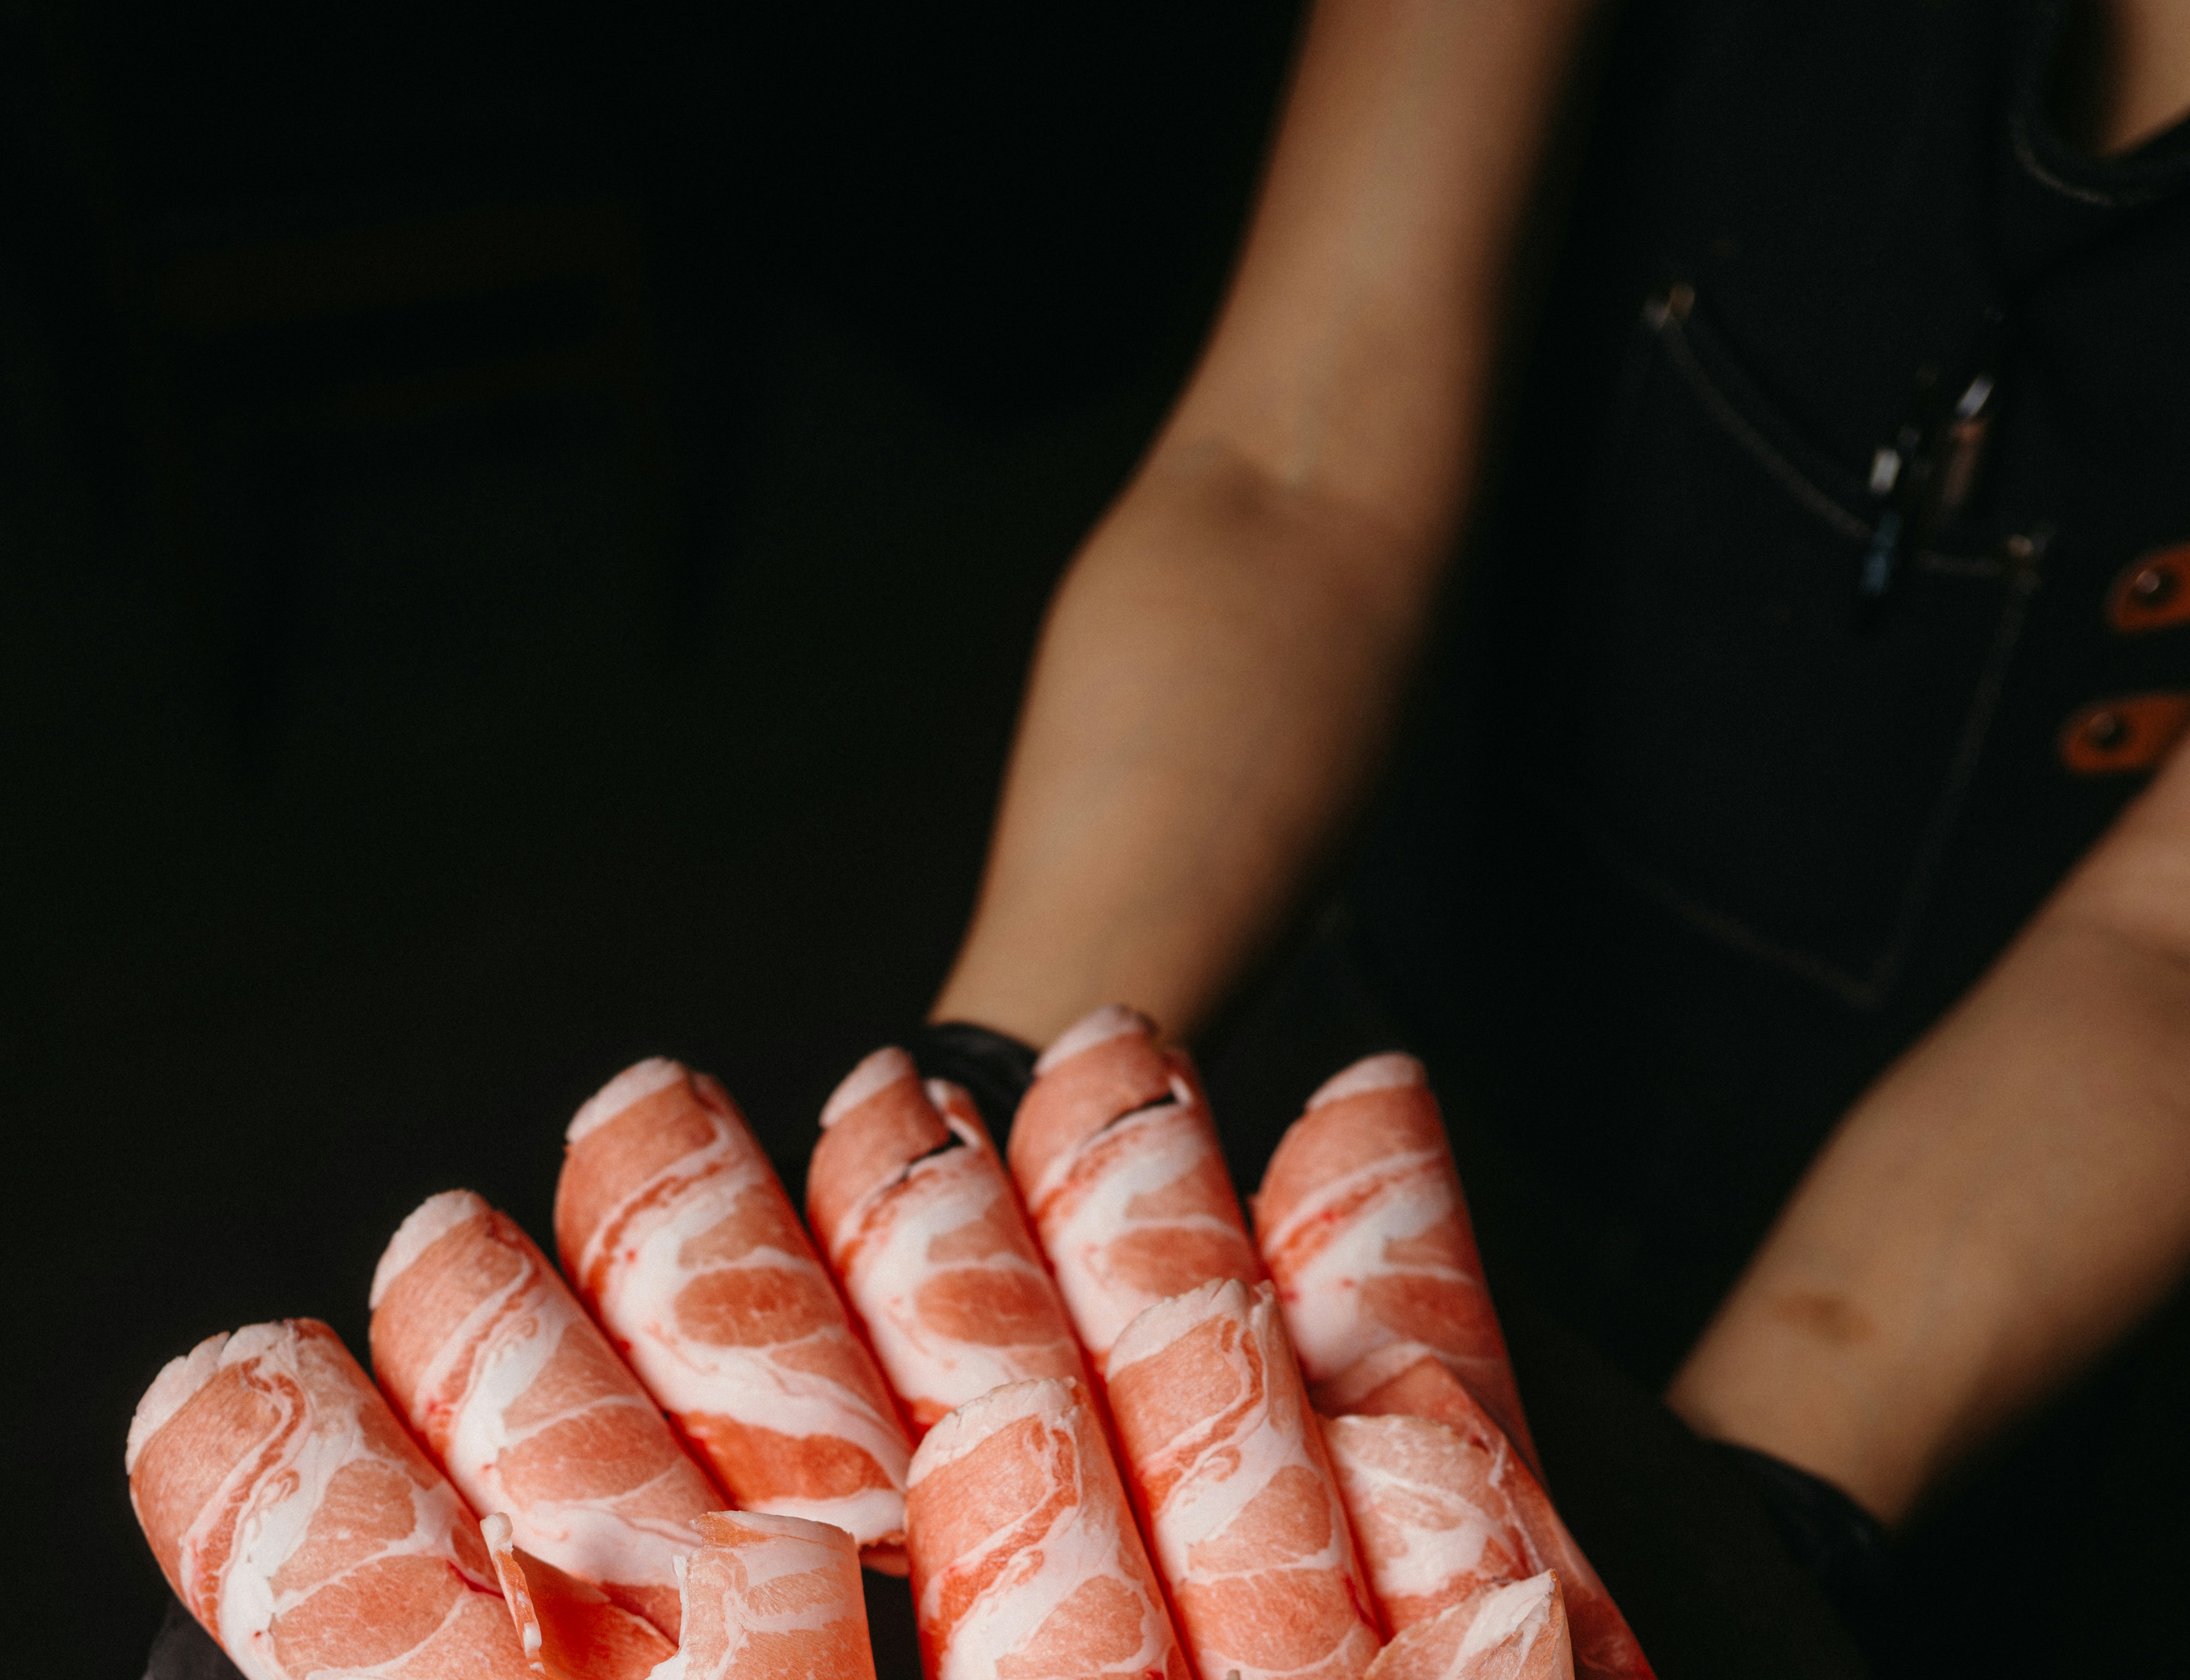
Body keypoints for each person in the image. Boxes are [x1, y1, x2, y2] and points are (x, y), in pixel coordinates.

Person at [921, 0, 2190, 1557]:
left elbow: (2162, 940)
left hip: (1993, 1232)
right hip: (1393, 1016)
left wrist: (1739, 1535)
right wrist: (999, 1078)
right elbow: (1296, 470)